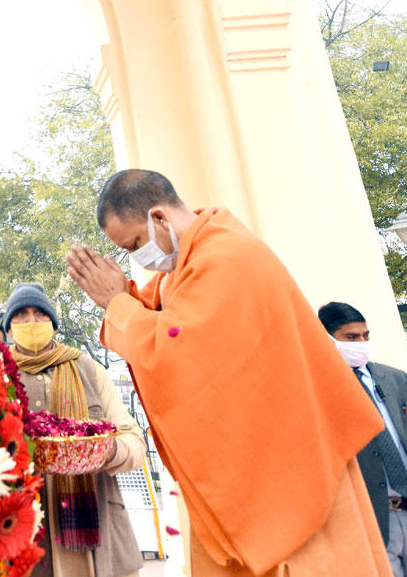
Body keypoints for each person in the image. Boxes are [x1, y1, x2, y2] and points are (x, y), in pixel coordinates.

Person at [65, 169, 390, 576]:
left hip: (290, 469)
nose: (137, 257)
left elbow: (177, 350)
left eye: (134, 243)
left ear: (160, 218)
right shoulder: (184, 268)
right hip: (263, 467)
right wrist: (121, 300)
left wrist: (117, 304)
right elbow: (162, 321)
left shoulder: (226, 256)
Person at [3, 282, 145, 577]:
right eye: (21, 315)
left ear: (53, 322)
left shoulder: (89, 370)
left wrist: (105, 450)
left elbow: (133, 442)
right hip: (23, 534)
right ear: (9, 326)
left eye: (40, 314)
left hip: (96, 537)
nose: (32, 322)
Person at [319, 301, 407, 576]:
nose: (362, 343)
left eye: (365, 335)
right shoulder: (320, 388)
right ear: (328, 339)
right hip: (371, 516)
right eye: (352, 337)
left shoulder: (395, 378)